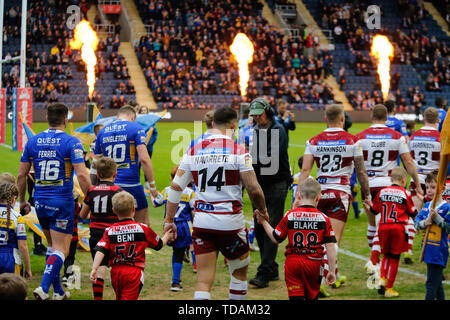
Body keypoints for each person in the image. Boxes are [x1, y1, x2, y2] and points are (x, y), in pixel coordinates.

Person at [163, 107, 267, 300]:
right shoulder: (239, 151)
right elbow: (253, 188)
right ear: (233, 126)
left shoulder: (193, 151)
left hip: (202, 223)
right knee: (238, 275)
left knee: (203, 281)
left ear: (212, 124)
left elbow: (176, 187)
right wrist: (262, 210)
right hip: (230, 223)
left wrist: (169, 219)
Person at [17, 103, 91, 300]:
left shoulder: (33, 142)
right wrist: (91, 199)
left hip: (40, 201)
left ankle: (58, 292)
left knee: (52, 246)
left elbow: (21, 175)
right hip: (62, 201)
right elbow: (83, 175)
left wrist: (23, 200)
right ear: (65, 120)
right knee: (62, 249)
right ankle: (43, 288)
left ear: (47, 118)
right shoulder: (71, 142)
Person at [294, 104, 371, 288]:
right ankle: (319, 281)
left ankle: (332, 275)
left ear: (325, 118)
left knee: (319, 238)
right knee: (332, 240)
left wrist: (298, 197)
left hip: (318, 195)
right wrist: (366, 195)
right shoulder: (353, 140)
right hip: (340, 194)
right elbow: (361, 172)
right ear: (343, 119)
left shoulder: (313, 141)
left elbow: (305, 170)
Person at [356, 104, 422, 271]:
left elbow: (355, 165)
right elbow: (408, 162)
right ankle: (375, 261)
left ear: (371, 117)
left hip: (369, 184)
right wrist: (418, 184)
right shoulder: (397, 137)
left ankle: (374, 258)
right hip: (388, 185)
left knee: (372, 224)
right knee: (386, 223)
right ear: (387, 118)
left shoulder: (359, 137)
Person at [255, 177, 337, 300]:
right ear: (319, 197)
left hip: (293, 263)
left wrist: (263, 222)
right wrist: (331, 270)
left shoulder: (291, 215)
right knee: (312, 297)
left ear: (298, 195)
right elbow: (330, 246)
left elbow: (276, 238)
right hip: (314, 264)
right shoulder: (324, 218)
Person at [90, 191, 173, 300]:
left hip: (115, 273)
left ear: (114, 211)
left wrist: (94, 268)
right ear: (133, 209)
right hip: (134, 272)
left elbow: (100, 250)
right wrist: (167, 236)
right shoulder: (142, 228)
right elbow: (158, 245)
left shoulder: (109, 231)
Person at [248, 97, 292, 289]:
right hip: (259, 184)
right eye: (254, 115)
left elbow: (270, 158)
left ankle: (264, 272)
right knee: (259, 226)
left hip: (276, 184)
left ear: (267, 112)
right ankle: (272, 267)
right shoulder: (256, 130)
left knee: (271, 226)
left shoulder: (278, 130)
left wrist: (249, 159)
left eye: (259, 114)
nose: (256, 118)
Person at [94, 105, 158, 226]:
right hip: (131, 184)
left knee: (112, 226)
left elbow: (96, 163)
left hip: (109, 186)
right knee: (142, 224)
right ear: (133, 117)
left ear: (117, 117)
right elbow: (144, 159)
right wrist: (153, 188)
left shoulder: (102, 131)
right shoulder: (136, 128)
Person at [368, 167, 418, 298]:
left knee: (386, 255)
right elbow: (413, 212)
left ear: (391, 179)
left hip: (383, 227)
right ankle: (389, 288)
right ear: (403, 180)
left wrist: (369, 204)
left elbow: (373, 211)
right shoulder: (405, 193)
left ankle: (383, 279)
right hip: (397, 228)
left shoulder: (382, 192)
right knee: (395, 258)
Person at [79, 157, 123, 300]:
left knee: (99, 267)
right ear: (115, 174)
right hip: (114, 233)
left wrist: (96, 214)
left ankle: (98, 298)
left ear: (97, 175)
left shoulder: (91, 192)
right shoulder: (118, 191)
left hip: (96, 233)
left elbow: (83, 215)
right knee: (118, 267)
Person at [152, 165, 195, 292]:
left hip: (169, 224)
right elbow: (193, 212)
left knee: (176, 252)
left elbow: (155, 203)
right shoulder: (190, 193)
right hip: (183, 226)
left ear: (172, 178)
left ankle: (176, 279)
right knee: (179, 252)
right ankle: (175, 282)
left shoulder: (166, 190)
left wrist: (152, 193)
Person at [415, 187, 450, 300]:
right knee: (437, 284)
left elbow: (448, 228)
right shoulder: (426, 206)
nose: (429, 190)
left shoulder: (447, 207)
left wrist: (437, 218)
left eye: (433, 187)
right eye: (427, 187)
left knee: (430, 284)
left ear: (442, 188)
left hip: (438, 251)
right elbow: (416, 223)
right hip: (427, 251)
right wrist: (425, 222)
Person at [408, 107, 441, 209]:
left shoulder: (413, 137)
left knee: (415, 216)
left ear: (424, 119)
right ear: (438, 120)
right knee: (434, 216)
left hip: (416, 178)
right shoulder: (440, 138)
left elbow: (408, 159)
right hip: (433, 181)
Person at [0, 182, 32, 280]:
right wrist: (28, 268)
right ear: (14, 198)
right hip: (10, 259)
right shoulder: (17, 217)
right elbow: (23, 246)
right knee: (12, 292)